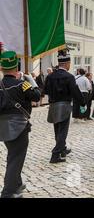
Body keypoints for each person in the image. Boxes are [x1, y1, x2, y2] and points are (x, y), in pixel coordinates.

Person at [0, 51, 41, 198]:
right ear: (16, 67)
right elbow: (37, 96)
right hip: (19, 125)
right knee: (16, 157)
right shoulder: (22, 84)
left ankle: (16, 184)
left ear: (2, 67)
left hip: (3, 127)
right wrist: (31, 82)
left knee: (13, 154)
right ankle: (8, 192)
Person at [45, 50, 85, 164]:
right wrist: (82, 102)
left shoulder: (50, 76)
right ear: (67, 63)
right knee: (63, 131)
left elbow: (46, 90)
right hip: (64, 106)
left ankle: (62, 149)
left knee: (57, 130)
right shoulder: (69, 76)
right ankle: (55, 154)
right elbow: (75, 92)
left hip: (53, 105)